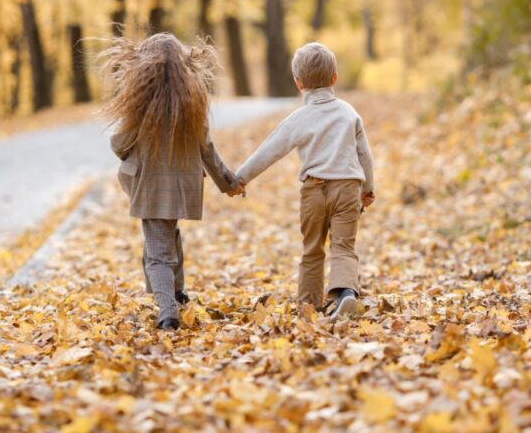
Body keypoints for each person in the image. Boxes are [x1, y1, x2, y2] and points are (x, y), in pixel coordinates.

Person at [99, 33, 244, 331]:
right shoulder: (191, 107)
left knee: (157, 255)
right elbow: (207, 149)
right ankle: (176, 293)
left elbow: (119, 144)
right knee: (169, 237)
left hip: (151, 188)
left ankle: (167, 313)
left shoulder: (141, 111)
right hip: (183, 187)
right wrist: (227, 182)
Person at [235, 42, 374, 319]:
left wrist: (240, 178)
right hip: (347, 187)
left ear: (298, 83)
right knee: (343, 247)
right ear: (334, 78)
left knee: (312, 250)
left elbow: (269, 151)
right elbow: (364, 154)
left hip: (313, 190)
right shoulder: (348, 112)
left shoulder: (298, 119)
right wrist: (368, 188)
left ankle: (309, 307)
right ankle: (345, 293)